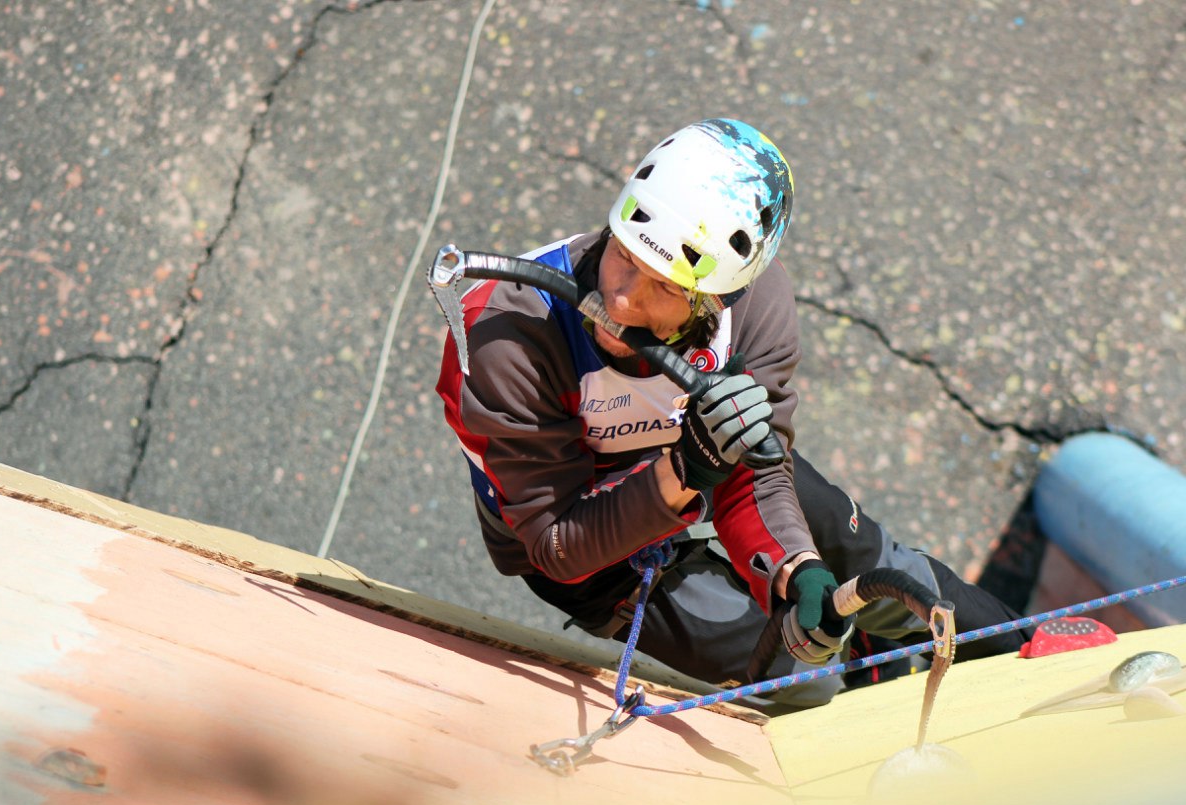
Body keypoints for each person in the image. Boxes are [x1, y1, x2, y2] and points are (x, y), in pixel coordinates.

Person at [436, 118, 1027, 707]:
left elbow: (758, 473)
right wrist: (682, 473)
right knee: (805, 682)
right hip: (583, 533)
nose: (620, 301)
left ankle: (1025, 652)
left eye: (664, 288)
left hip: (707, 456)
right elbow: (555, 548)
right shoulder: (506, 330)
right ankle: (863, 683)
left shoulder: (756, 309)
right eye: (623, 256)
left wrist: (796, 570)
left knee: (870, 562)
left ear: (717, 297)